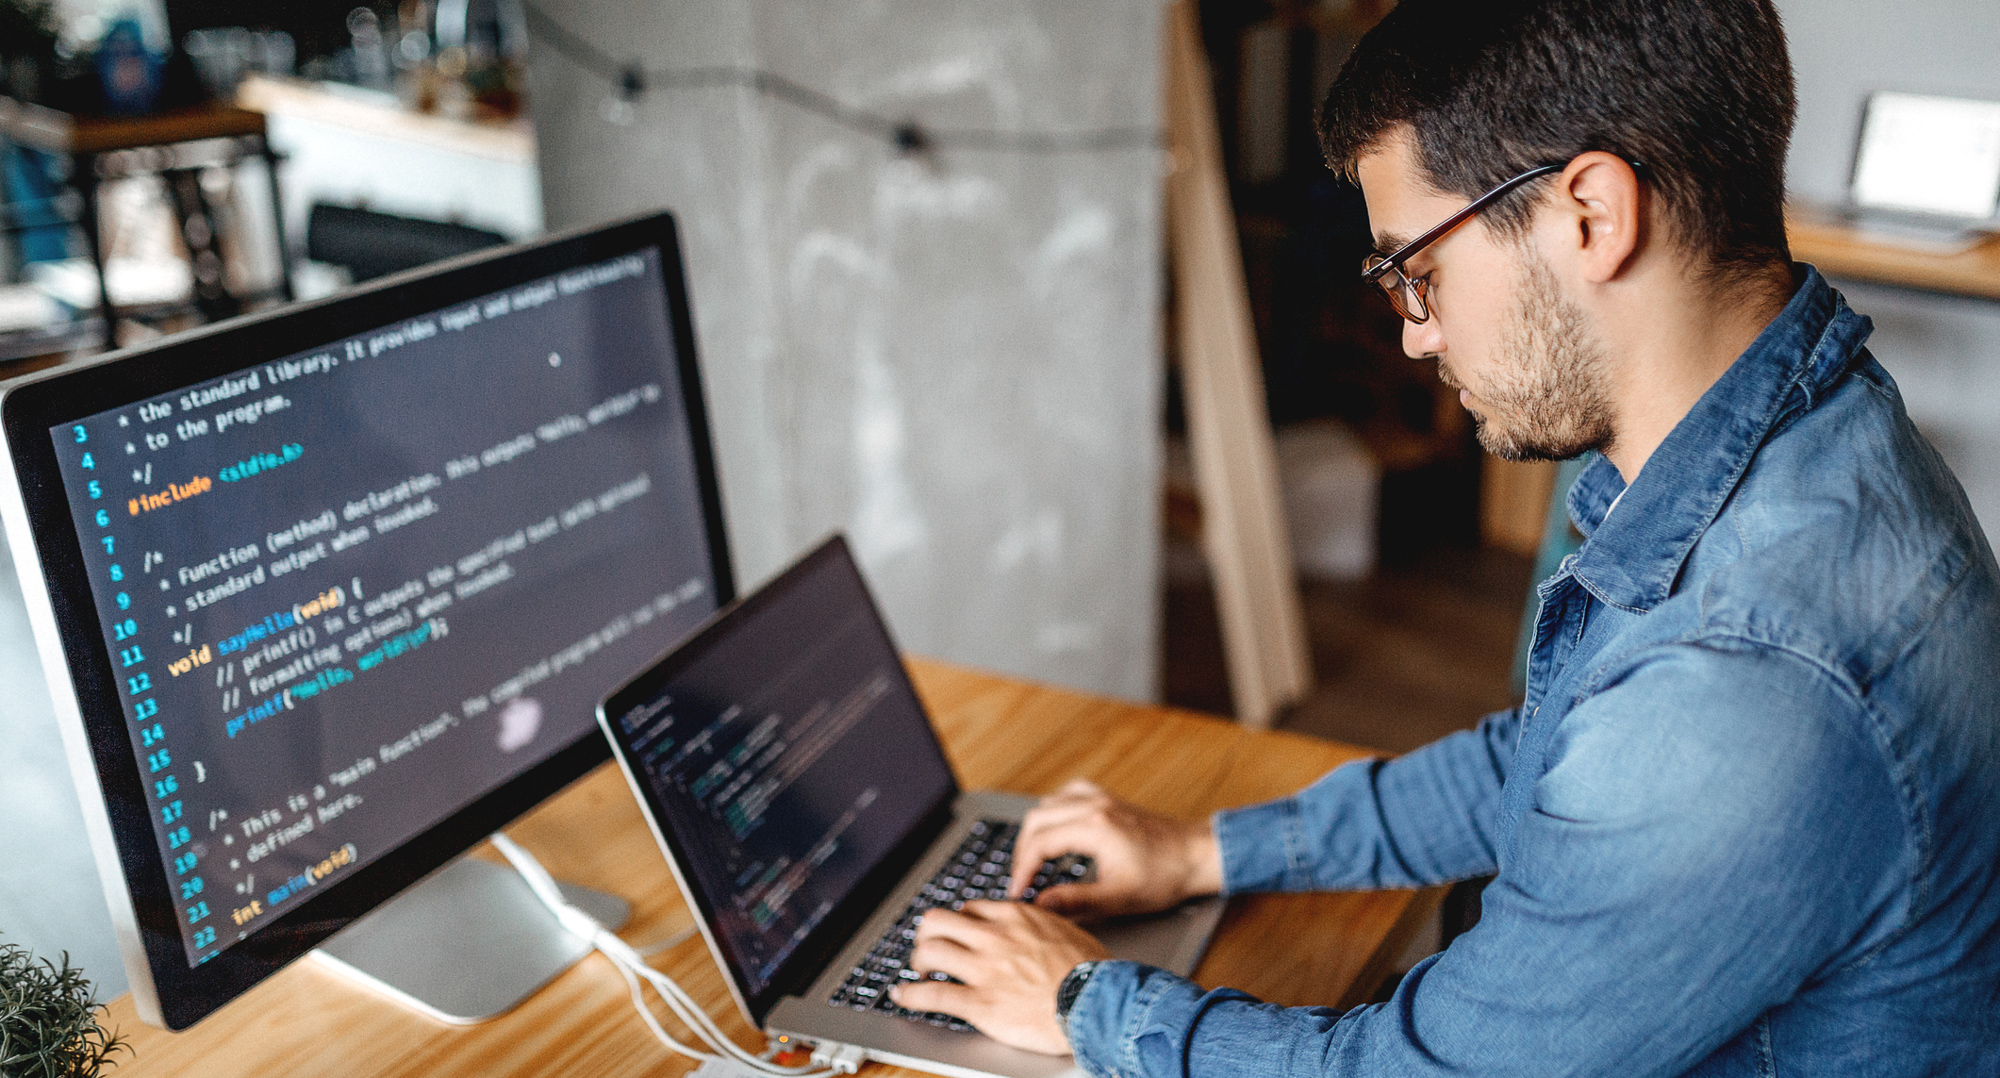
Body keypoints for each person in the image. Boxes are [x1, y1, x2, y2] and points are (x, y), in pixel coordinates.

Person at [888, 0, 2000, 1074]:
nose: (1414, 336)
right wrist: (1203, 850)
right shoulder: (1809, 431)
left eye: (1415, 271)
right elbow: (1556, 763)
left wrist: (1084, 1001)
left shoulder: (1741, 672)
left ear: (1590, 217)